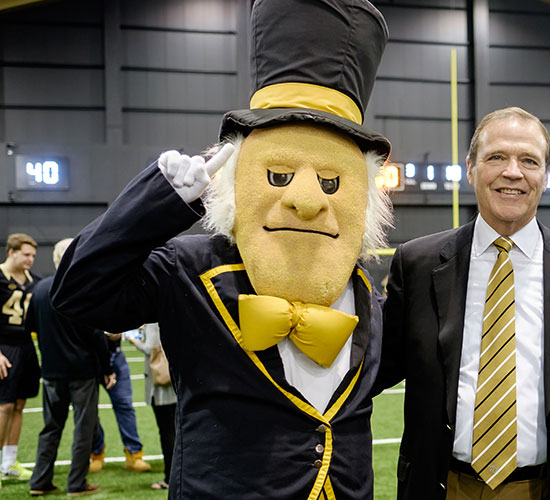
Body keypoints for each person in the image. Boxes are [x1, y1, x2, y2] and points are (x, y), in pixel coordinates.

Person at [50, 0, 393, 497]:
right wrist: (157, 204)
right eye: (278, 175)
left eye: (331, 181)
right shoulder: (188, 268)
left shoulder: (364, 289)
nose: (304, 200)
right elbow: (77, 291)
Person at [375, 107, 550, 500]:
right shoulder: (419, 263)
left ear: (546, 176)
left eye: (529, 161)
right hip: (444, 485)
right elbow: (376, 367)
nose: (513, 172)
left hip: (546, 487)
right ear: (471, 168)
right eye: (496, 157)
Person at [26, 238, 116, 497]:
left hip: (52, 373)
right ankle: (75, 484)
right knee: (83, 429)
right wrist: (107, 367)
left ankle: (39, 481)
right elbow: (95, 334)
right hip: (81, 372)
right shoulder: (81, 288)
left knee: (50, 428)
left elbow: (29, 328)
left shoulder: (40, 289)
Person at [0, 233, 41, 482]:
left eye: (33, 255)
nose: (31, 259)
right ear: (11, 252)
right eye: (26, 254)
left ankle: (9, 463)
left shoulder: (34, 281)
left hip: (26, 346)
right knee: (4, 405)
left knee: (19, 405)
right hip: (3, 346)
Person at [88, 331, 152, 473]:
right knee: (89, 410)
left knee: (124, 405)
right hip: (88, 357)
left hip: (114, 355)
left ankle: (134, 453)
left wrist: (121, 330)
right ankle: (96, 453)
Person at [128, 323, 176, 490]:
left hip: (161, 386)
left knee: (167, 433)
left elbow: (151, 349)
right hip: (172, 382)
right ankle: (174, 476)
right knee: (173, 431)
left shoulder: (153, 323)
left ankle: (169, 478)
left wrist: (133, 341)